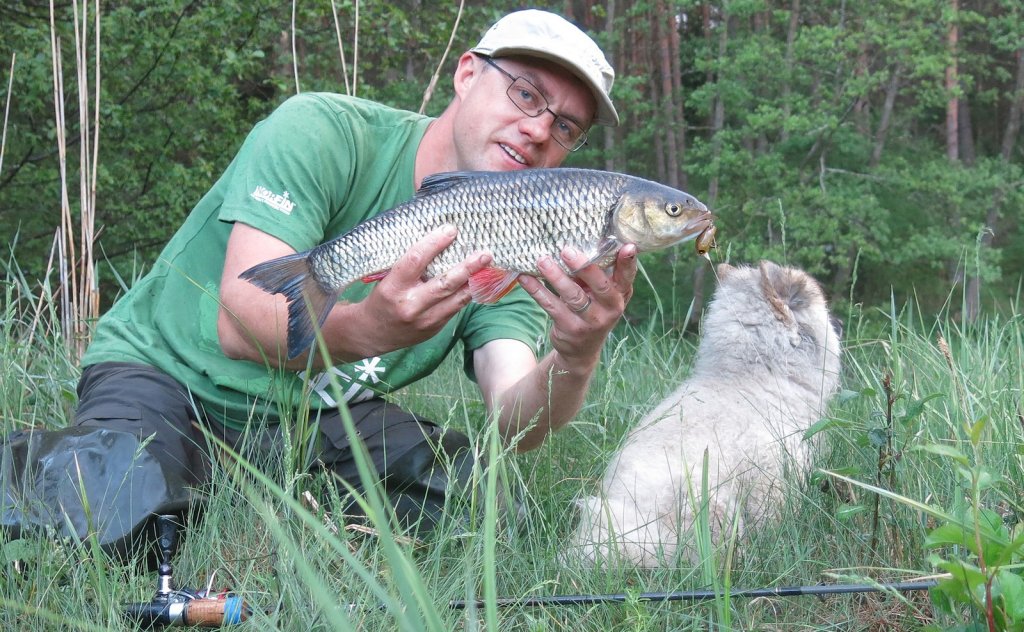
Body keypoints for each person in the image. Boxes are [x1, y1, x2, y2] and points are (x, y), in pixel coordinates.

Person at [1, 9, 635, 554]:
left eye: (566, 127)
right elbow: (239, 322)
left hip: (315, 413)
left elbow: (512, 414)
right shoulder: (324, 132)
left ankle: (234, 487)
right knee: (116, 514)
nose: (539, 129)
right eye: (526, 94)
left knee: (487, 513)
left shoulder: (531, 241)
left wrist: (577, 355)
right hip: (169, 375)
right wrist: (370, 329)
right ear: (467, 74)